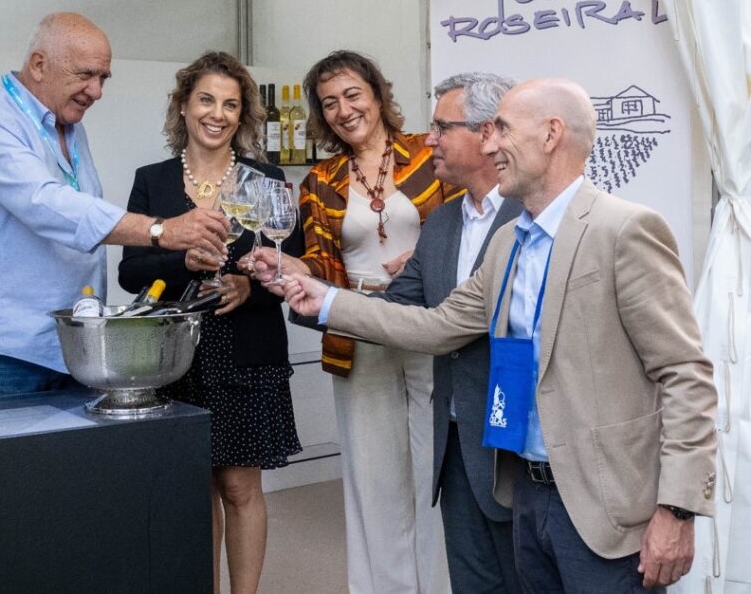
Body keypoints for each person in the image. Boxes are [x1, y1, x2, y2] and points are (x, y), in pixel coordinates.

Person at [285, 78, 717, 593]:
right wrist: (326, 301)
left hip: (604, 508)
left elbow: (685, 375)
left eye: (503, 130)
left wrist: (678, 509)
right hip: (524, 492)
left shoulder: (625, 230)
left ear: (551, 134)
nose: (491, 145)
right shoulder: (509, 241)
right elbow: (438, 325)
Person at [0, 12, 227, 401]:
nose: (96, 91)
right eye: (85, 75)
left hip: (74, 348)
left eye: (103, 78)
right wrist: (161, 231)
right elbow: (46, 203)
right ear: (39, 65)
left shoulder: (72, 130)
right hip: (4, 355)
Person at [253, 50, 453, 593]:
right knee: (374, 476)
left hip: (432, 326)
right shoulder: (320, 180)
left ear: (378, 95)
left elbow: (468, 226)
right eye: (329, 103)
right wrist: (285, 266)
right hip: (357, 329)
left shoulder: (429, 154)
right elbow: (322, 263)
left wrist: (425, 260)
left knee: (437, 472)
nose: (343, 110)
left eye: (352, 94)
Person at [118, 52, 302, 594]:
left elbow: (290, 268)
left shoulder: (265, 179)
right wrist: (182, 261)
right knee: (193, 493)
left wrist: (249, 289)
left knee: (240, 489)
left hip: (245, 350)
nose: (216, 114)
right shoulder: (151, 181)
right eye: (206, 100)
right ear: (183, 105)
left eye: (230, 104)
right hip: (174, 356)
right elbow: (130, 273)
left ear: (242, 115)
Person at [379, 72, 522, 593]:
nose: (429, 141)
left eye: (442, 128)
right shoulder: (440, 224)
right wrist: (306, 293)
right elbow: (393, 311)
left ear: (487, 133)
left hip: (519, 453)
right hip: (456, 444)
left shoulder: (534, 217)